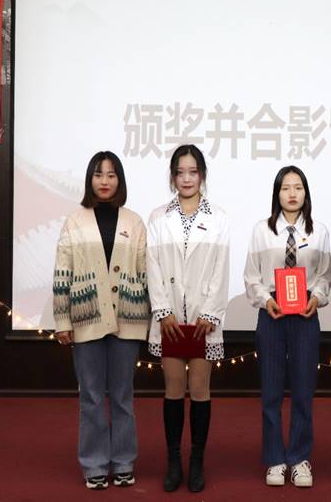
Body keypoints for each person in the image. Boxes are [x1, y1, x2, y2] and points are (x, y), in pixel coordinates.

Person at [52, 150, 151, 490]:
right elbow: (62, 272)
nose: (105, 181)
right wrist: (62, 320)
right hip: (86, 318)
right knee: (92, 396)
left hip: (128, 318)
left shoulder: (134, 222)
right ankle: (94, 463)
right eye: (98, 174)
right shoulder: (74, 221)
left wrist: (153, 318)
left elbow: (145, 272)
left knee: (122, 396)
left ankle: (123, 461)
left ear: (120, 180)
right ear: (89, 179)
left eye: (111, 175)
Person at [146, 144, 229, 493]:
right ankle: (173, 461)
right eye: (180, 172)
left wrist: (209, 312)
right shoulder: (157, 217)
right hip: (168, 322)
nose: (186, 178)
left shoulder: (218, 218)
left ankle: (196, 460)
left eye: (193, 172)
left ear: (202, 176)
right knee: (173, 388)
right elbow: (152, 266)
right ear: (172, 177)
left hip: (202, 321)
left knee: (199, 389)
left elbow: (221, 270)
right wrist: (162, 310)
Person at [244, 166, 331, 488]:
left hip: (305, 314)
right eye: (285, 188)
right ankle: (274, 459)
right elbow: (251, 276)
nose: (292, 193)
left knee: (303, 392)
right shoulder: (261, 230)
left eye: (298, 187)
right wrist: (265, 300)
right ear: (277, 193)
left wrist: (317, 297)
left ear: (306, 193)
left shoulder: (319, 231)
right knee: (270, 392)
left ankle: (299, 458)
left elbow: (325, 274)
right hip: (272, 314)